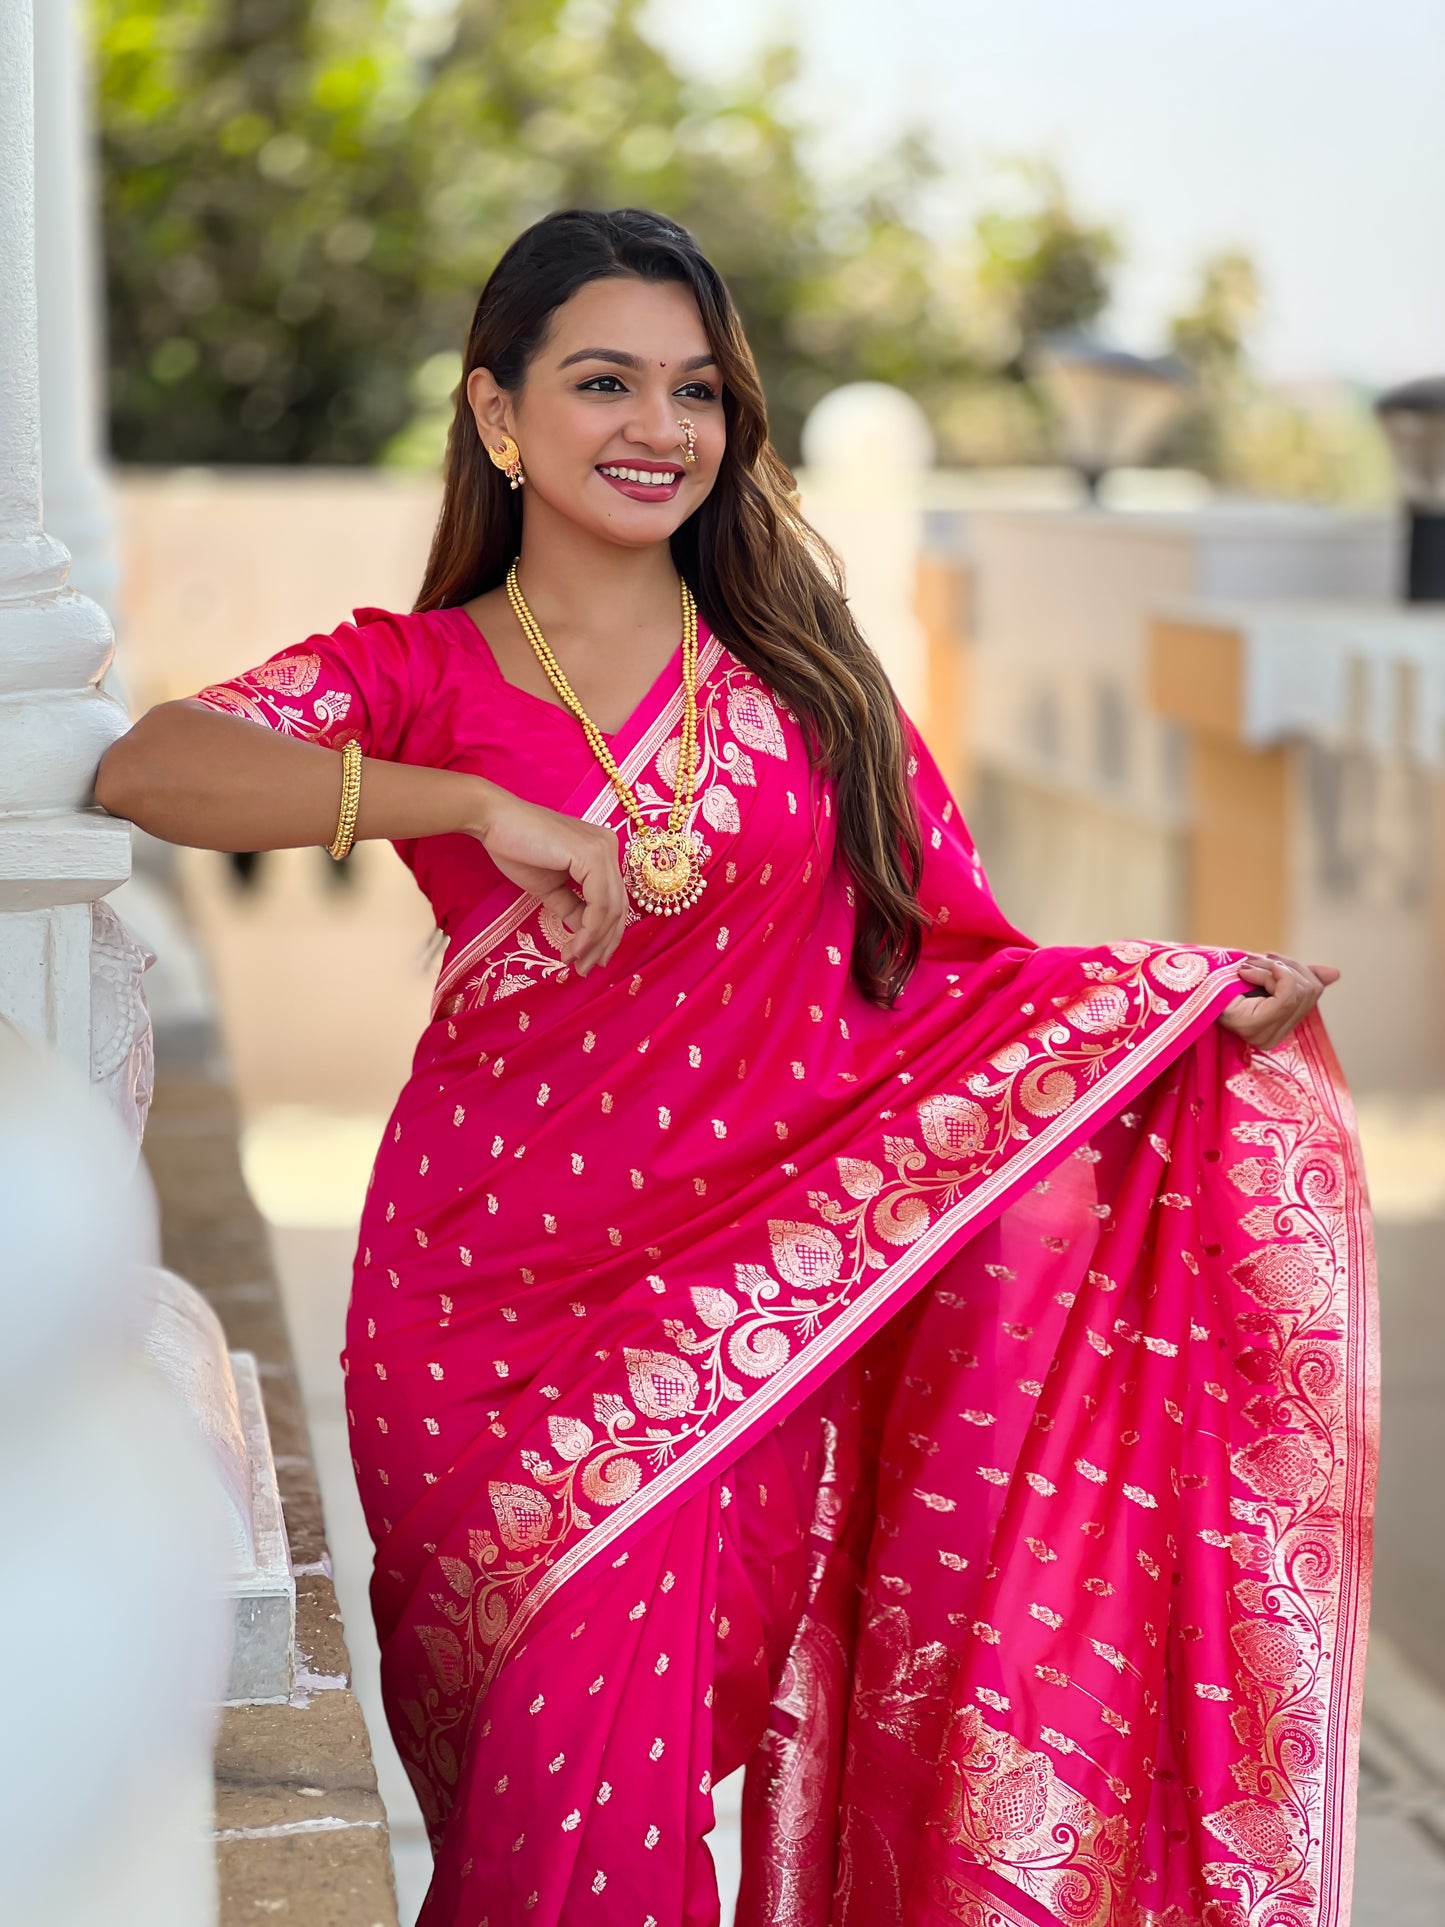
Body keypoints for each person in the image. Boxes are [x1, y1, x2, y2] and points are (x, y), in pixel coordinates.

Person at [96, 208, 1373, 1927]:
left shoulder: (807, 690)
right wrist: (465, 802)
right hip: (477, 1319)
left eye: (695, 390)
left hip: (730, 1329)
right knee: (542, 1816)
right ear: (496, 415)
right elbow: (158, 771)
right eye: (603, 380)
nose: (658, 427)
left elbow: (949, 975)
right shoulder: (421, 672)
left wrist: (1172, 1005)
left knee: (604, 1807)